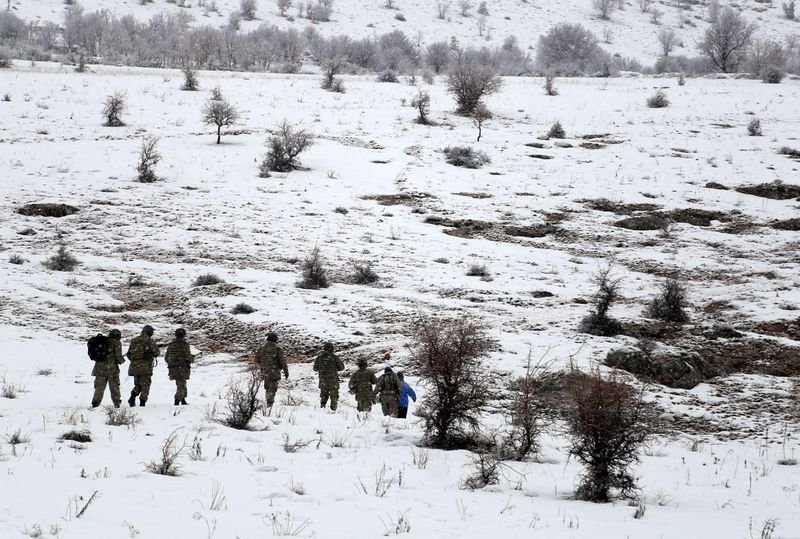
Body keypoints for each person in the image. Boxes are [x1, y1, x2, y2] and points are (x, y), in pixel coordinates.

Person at [126, 325, 160, 407]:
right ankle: (142, 402)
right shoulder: (149, 341)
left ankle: (133, 396)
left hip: (134, 366)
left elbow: (129, 354)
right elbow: (156, 353)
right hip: (145, 367)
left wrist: (136, 361)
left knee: (138, 384)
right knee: (146, 385)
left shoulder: (134, 340)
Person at [91, 329, 125, 408]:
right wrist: (122, 360)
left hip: (99, 369)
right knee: (114, 387)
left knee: (99, 388)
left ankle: (95, 403)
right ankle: (117, 403)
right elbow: (118, 357)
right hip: (112, 369)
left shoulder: (102, 341)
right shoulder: (117, 343)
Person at [256, 332, 288, 409]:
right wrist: (286, 371)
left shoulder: (261, 348)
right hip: (274, 371)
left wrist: (264, 364)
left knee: (267, 386)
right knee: (273, 387)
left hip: (264, 371)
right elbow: (282, 361)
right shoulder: (277, 349)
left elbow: (257, 360)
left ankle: (268, 402)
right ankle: (269, 404)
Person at [165, 328, 195, 406]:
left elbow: (166, 358)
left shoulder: (171, 345)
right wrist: (192, 358)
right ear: (184, 335)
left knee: (181, 383)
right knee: (181, 384)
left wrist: (173, 363)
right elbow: (187, 356)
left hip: (172, 368)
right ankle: (177, 400)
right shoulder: (185, 345)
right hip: (182, 368)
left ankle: (183, 400)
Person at [313, 341, 344, 411]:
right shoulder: (334, 357)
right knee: (334, 395)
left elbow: (315, 368)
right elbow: (341, 367)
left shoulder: (319, 358)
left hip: (323, 379)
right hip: (333, 379)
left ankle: (322, 406)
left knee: (324, 394)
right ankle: (333, 409)